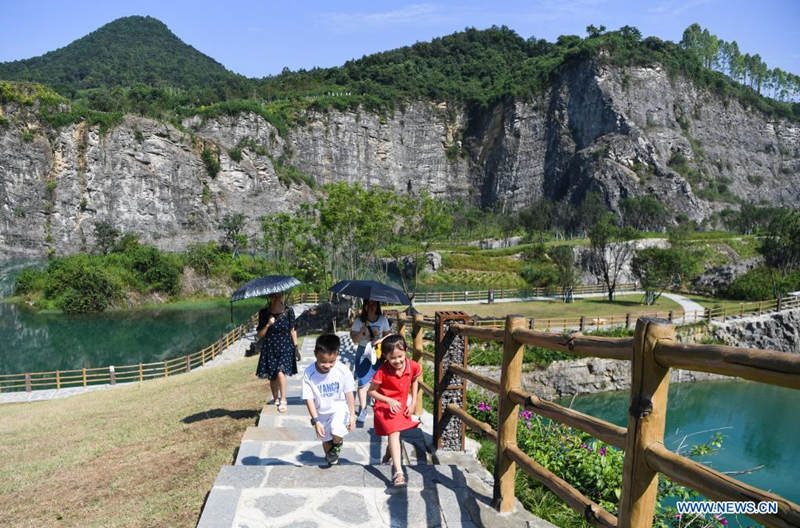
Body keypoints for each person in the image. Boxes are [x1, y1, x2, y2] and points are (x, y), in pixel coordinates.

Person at [367, 334, 421, 488]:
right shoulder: (382, 371)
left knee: (394, 435)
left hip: (401, 405)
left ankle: (387, 456)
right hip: (385, 406)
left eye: (400, 357)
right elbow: (371, 392)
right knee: (394, 432)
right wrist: (388, 400)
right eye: (392, 358)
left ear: (406, 351)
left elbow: (416, 379)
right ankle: (399, 472)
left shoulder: (413, 366)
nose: (397, 361)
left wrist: (414, 402)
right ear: (385, 356)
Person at [302, 333, 356, 466]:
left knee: (336, 429)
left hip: (339, 408)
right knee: (325, 440)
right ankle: (332, 456)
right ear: (316, 354)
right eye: (323, 361)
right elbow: (309, 398)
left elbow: (349, 393)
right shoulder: (309, 373)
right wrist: (316, 421)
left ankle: (337, 443)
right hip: (321, 412)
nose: (327, 365)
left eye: (331, 362)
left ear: (337, 354)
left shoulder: (342, 370)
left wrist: (352, 414)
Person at [256, 292, 300, 413]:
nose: (275, 298)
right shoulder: (264, 313)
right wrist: (268, 324)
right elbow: (259, 335)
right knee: (272, 375)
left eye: (277, 295)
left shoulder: (288, 311)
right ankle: (275, 398)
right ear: (269, 297)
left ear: (281, 295)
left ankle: (283, 400)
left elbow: (292, 330)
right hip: (270, 347)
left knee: (281, 371)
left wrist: (296, 348)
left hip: (286, 346)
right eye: (272, 296)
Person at [349, 299, 391, 424]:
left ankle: (378, 405)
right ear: (365, 306)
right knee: (362, 382)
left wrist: (380, 340)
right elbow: (354, 340)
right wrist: (362, 331)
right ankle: (363, 409)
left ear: (378, 305)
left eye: (374, 304)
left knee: (378, 381)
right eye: (369, 304)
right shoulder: (359, 321)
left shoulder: (383, 320)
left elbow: (389, 335)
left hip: (377, 353)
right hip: (363, 352)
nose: (372, 306)